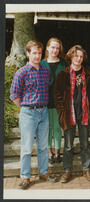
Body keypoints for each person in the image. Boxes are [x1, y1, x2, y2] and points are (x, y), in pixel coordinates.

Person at [10, 40, 57, 190]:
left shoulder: (45, 70)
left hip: (44, 112)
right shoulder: (21, 73)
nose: (37, 56)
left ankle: (44, 172)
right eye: (34, 53)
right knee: (27, 147)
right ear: (28, 53)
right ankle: (25, 176)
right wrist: (27, 108)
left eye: (39, 53)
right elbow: (14, 96)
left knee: (43, 146)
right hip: (28, 113)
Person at [54, 45, 90, 183]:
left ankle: (86, 168)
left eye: (81, 56)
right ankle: (67, 170)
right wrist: (62, 112)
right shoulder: (63, 75)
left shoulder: (89, 74)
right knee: (68, 145)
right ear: (71, 56)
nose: (78, 58)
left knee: (85, 144)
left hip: (84, 113)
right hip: (68, 114)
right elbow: (57, 95)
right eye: (76, 56)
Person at [40, 37, 67, 164]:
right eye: (52, 47)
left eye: (57, 48)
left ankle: (57, 153)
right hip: (44, 102)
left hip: (59, 103)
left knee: (57, 128)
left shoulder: (63, 64)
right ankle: (49, 153)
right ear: (47, 48)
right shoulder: (41, 64)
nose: (55, 50)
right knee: (46, 129)